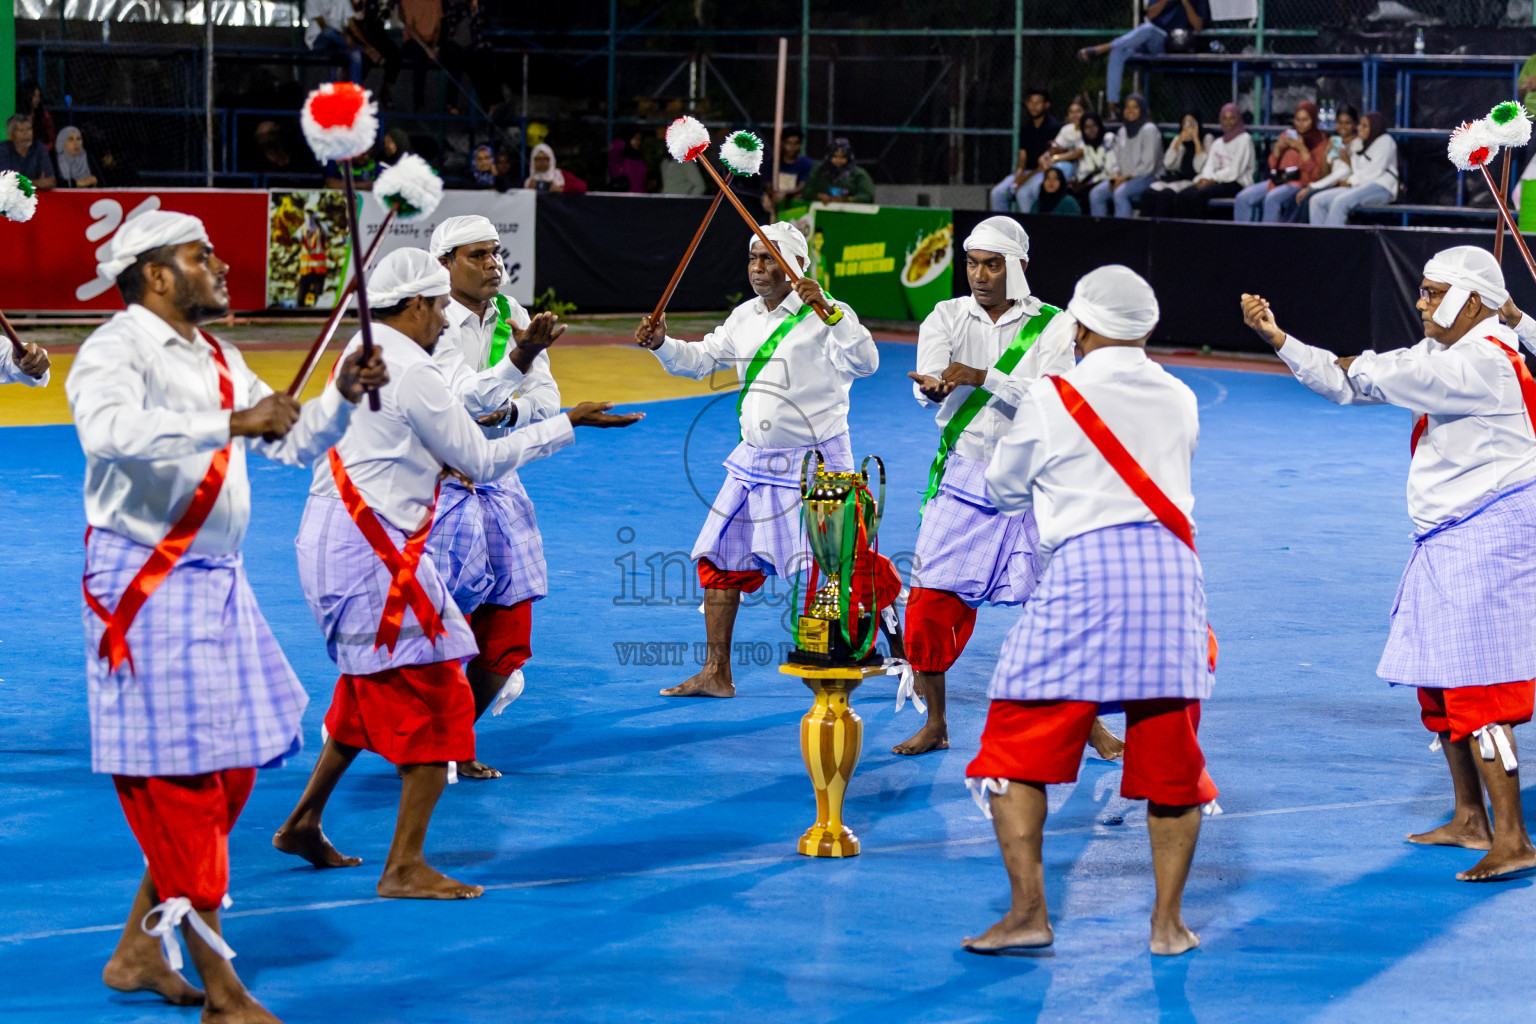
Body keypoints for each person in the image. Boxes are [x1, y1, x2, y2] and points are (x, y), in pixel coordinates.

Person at [66, 210, 386, 1020]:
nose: (221, 266)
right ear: (157, 274)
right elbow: (105, 433)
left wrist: (339, 398)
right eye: (200, 255)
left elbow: (289, 442)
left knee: (237, 760)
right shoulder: (117, 346)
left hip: (215, 581)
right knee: (183, 785)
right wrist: (231, 421)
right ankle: (223, 995)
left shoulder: (219, 355)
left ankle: (141, 946)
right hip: (146, 578)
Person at [273, 248, 641, 891]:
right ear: (414, 305)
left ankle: (303, 821)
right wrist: (568, 423)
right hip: (373, 553)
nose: (447, 319)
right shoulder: (411, 371)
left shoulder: (362, 356)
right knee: (443, 692)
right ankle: (405, 865)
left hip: (345, 539)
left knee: (367, 689)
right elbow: (479, 458)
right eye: (439, 305)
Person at [1242, 246, 1536, 881]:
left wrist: (1356, 365)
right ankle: (1469, 818)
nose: (1421, 302)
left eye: (1434, 293)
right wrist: (1280, 339)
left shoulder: (1486, 361)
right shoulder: (1443, 355)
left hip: (1487, 535)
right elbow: (1350, 383)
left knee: (1477, 686)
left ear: (1474, 303)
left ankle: (1513, 839)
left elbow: (1375, 376)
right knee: (1439, 678)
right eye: (1423, 291)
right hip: (1446, 534)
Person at [964, 264, 1217, 956]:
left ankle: (1029, 915)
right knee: (1172, 756)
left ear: (1078, 327)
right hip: (1172, 577)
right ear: (1146, 329)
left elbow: (1005, 488)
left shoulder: (1053, 395)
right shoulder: (1181, 395)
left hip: (1085, 573)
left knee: (1015, 740)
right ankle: (1168, 925)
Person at [901, 217, 1120, 758]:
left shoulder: (1053, 325)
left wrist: (984, 377)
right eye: (973, 263)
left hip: (1037, 481)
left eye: (992, 264)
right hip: (965, 476)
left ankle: (1090, 727)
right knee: (927, 605)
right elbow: (931, 379)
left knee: (1062, 611)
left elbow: (1056, 397)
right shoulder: (946, 314)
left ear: (1019, 266)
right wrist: (933, 389)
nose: (979, 274)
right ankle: (937, 723)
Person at [633, 222, 878, 698]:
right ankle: (716, 673)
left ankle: (833, 673)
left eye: (770, 259)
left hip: (817, 465)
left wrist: (830, 313)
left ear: (798, 266)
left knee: (827, 573)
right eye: (753, 258)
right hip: (754, 462)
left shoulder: (829, 313)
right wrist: (662, 344)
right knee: (720, 561)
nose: (759, 268)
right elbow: (703, 359)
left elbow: (865, 363)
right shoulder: (744, 316)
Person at [420, 215, 566, 780]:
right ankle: (419, 741)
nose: (492, 264)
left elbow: (547, 400)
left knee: (507, 632)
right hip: (439, 487)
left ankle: (456, 738)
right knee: (435, 628)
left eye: (496, 252)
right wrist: (520, 363)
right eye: (476, 255)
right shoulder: (427, 320)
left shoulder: (516, 319)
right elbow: (459, 399)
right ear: (445, 264)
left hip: (501, 480)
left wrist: (509, 411)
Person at [1079, 0, 1211, 113]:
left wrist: (1186, 3)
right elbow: (1151, 15)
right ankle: (1112, 105)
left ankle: (1104, 47)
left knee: (1145, 30)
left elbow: (1198, 26)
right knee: (1118, 51)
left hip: (1180, 44)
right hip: (1156, 40)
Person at [1140, 103, 1252, 219]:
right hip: (1211, 180)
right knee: (1167, 195)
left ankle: (1195, 233)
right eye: (1224, 118)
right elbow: (1207, 166)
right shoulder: (1218, 142)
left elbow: (1234, 171)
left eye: (1232, 118)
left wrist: (1196, 140)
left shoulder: (1244, 139)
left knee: (1195, 196)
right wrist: (1203, 178)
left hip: (1236, 182)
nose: (1228, 122)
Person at [1233, 101, 1327, 223]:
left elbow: (1315, 175)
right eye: (1297, 119)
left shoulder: (1320, 141)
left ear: (1313, 120)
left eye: (1305, 120)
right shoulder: (1288, 135)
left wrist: (1302, 149)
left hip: (1300, 183)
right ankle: (1241, 238)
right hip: (1279, 180)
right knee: (1242, 198)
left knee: (1272, 198)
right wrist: (1277, 149)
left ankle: (1269, 239)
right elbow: (1272, 166)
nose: (1300, 124)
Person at [1307, 111, 1396, 226]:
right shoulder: (1361, 143)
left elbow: (1375, 172)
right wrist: (1333, 156)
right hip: (1359, 185)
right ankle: (1319, 241)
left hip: (1381, 186)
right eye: (1360, 125)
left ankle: (1331, 241)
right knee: (1316, 201)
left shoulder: (1385, 141)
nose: (1360, 128)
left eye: (1365, 126)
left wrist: (1349, 180)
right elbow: (1356, 171)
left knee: (1340, 202)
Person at [990, 89, 1063, 213]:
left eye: (1038, 102)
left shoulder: (1055, 126)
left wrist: (1024, 180)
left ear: (1046, 105)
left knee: (1024, 194)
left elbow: (1051, 158)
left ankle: (1031, 228)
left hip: (1043, 173)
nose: (1034, 106)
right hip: (1027, 173)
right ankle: (1002, 228)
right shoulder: (1025, 127)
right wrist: (1017, 179)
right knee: (997, 193)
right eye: (1031, 102)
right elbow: (1022, 157)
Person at [1012, 96, 1086, 215]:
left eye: (1079, 111)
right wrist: (1045, 156)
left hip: (1079, 169)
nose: (1075, 115)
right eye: (1072, 112)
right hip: (1057, 166)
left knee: (1058, 169)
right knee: (1022, 193)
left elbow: (1079, 152)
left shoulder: (1088, 128)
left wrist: (1055, 158)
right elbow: (1055, 147)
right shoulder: (1067, 129)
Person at [1089, 95, 1159, 218]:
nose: (1130, 110)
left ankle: (1123, 234)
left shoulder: (1150, 129)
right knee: (1096, 194)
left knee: (1119, 193)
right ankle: (1101, 233)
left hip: (1146, 177)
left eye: (1135, 107)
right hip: (1123, 178)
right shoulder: (1122, 131)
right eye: (1127, 107)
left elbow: (1148, 166)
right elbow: (1117, 158)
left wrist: (1124, 178)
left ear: (1142, 109)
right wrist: (1115, 174)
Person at [1294, 105, 1359, 223]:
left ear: (1354, 124)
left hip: (1347, 185)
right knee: (1303, 197)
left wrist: (1347, 159)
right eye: (1340, 122)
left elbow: (1355, 172)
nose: (1343, 127)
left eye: (1347, 123)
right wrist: (1325, 157)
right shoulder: (1335, 142)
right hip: (1330, 183)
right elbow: (1325, 175)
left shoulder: (1358, 143)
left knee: (1310, 197)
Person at [804, 137, 876, 204]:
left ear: (849, 157)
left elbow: (868, 196)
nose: (838, 161)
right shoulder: (819, 171)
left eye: (843, 157)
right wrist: (819, 196)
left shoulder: (858, 174)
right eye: (835, 156)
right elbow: (806, 191)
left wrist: (849, 199)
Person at [305, 0, 363, 81]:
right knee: (328, 32)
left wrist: (365, 44)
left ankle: (354, 89)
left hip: (339, 41)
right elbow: (323, 27)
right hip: (318, 39)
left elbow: (351, 24)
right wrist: (345, 37)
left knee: (356, 53)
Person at [1065, 112, 1113, 209]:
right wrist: (1076, 182)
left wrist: (1087, 183)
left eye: (1094, 125)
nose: (1091, 130)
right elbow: (1085, 172)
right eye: (1087, 127)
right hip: (1091, 182)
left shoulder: (1108, 139)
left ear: (1099, 125)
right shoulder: (1085, 146)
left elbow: (1108, 170)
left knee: (1087, 193)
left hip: (1110, 179)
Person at [762, 127, 815, 214]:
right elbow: (768, 184)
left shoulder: (806, 163)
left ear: (800, 145)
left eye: (796, 143)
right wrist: (773, 195)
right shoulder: (774, 163)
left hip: (795, 206)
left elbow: (802, 185)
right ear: (782, 143)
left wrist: (785, 194)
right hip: (775, 205)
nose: (792, 147)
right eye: (788, 143)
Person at [1, 114, 56, 190]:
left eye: (29, 129)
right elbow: (4, 182)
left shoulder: (39, 147)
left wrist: (18, 183)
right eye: (21, 130)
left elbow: (50, 182)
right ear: (11, 134)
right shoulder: (3, 149)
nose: (26, 133)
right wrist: (36, 183)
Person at [296, 203, 331, 307]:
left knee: (318, 296)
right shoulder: (302, 229)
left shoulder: (321, 227)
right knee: (301, 296)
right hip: (306, 269)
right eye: (307, 212)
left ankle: (317, 315)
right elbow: (298, 238)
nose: (309, 215)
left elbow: (327, 236)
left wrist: (319, 224)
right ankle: (299, 315)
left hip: (318, 269)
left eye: (311, 213)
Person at [18, 81, 55, 152]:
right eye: (35, 96)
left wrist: (40, 150)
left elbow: (51, 141)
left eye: (39, 96)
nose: (38, 99)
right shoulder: (17, 117)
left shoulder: (44, 116)